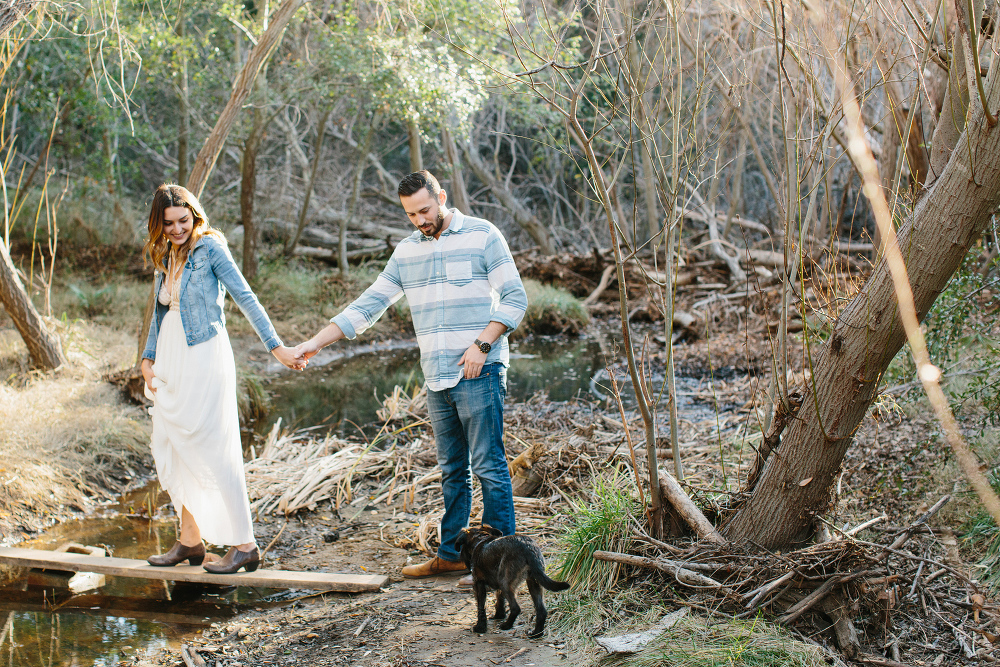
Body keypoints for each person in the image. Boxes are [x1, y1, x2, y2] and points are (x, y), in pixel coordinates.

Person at [293, 170, 527, 583]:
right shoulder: (406, 252)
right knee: (454, 470)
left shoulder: (483, 235)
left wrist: (483, 345)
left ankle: (500, 567)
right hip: (436, 377)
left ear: (441, 196)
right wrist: (315, 343)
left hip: (480, 370)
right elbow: (367, 306)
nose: (419, 220)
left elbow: (515, 298)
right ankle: (453, 554)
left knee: (488, 467)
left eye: (424, 210)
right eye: (410, 214)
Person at [140, 184, 301, 574]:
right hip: (171, 359)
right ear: (158, 225)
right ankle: (190, 541)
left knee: (213, 448)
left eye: (184, 220)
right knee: (177, 446)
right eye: (169, 223)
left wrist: (276, 347)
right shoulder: (166, 253)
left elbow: (246, 297)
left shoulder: (210, 247)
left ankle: (246, 545)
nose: (178, 229)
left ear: (195, 216)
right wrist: (147, 358)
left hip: (204, 356)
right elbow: (160, 314)